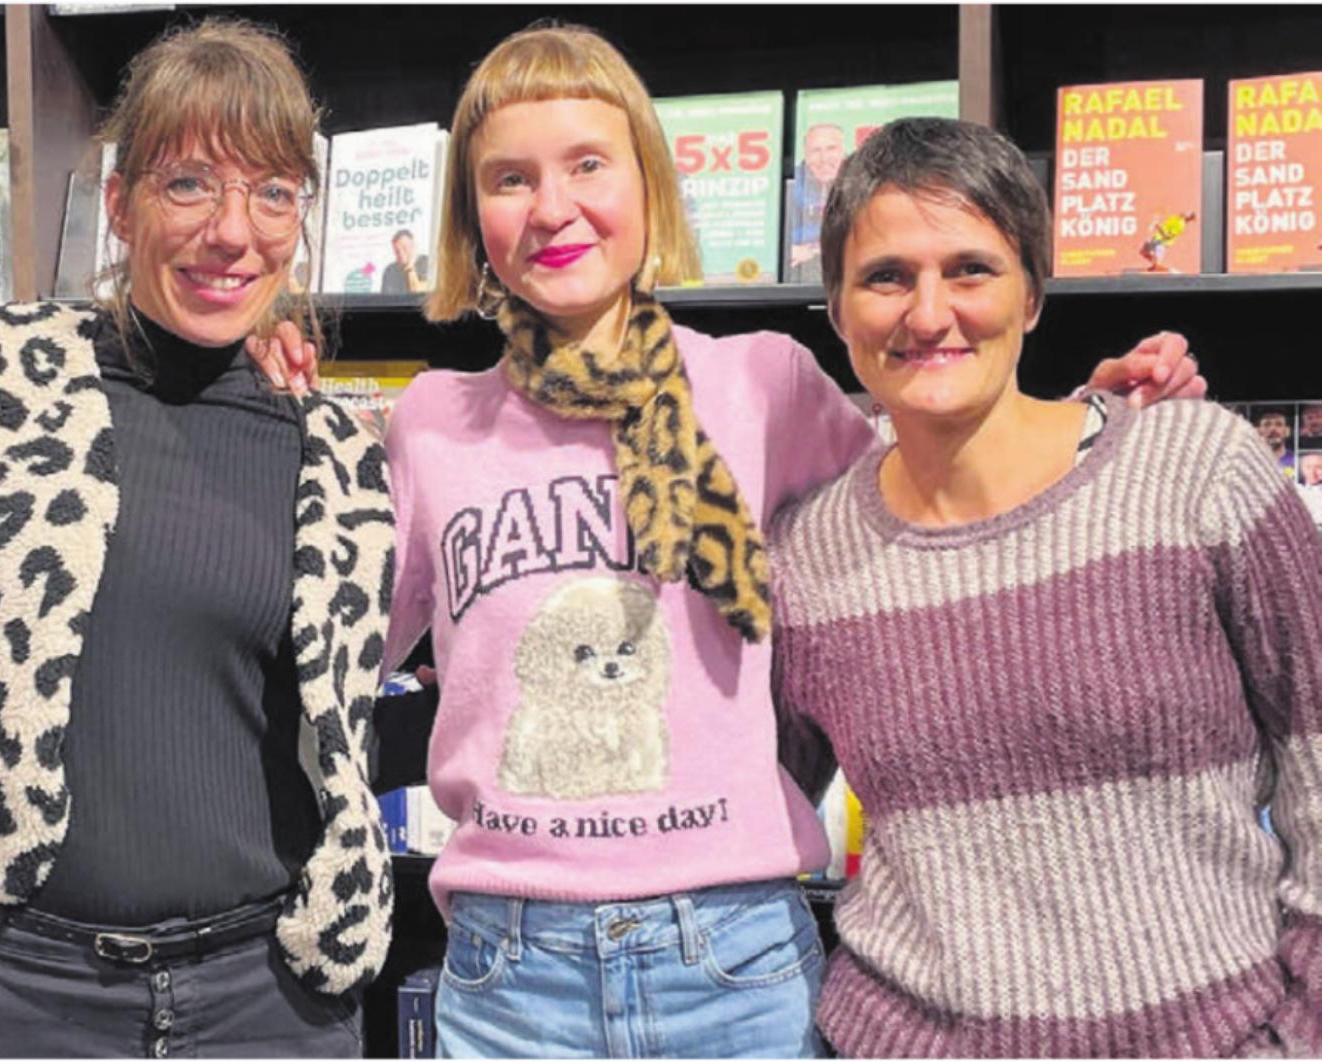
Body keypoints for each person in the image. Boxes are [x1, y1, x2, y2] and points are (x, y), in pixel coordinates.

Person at [256, 23, 1204, 1060]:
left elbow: (938, 510)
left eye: (587, 164)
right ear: (470, 219)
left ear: (651, 188)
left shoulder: (766, 383)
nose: (554, 206)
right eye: (510, 178)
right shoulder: (432, 423)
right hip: (509, 970)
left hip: (735, 959)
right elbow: (328, 652)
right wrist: (253, 409)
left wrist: (1080, 425)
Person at [0, 19, 423, 1058]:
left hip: (265, 997)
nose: (235, 231)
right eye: (190, 183)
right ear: (119, 203)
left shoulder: (330, 446)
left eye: (273, 192)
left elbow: (368, 721)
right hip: (21, 988)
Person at [772, 116, 1322, 1058]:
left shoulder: (1199, 469)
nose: (929, 312)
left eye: (971, 269)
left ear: (1033, 294)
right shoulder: (807, 556)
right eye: (886, 276)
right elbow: (757, 806)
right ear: (835, 307)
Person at [786, 122, 846, 283]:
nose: (824, 159)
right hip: (798, 273)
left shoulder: (860, 183)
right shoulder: (792, 185)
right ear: (805, 155)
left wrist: (813, 250)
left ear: (843, 151)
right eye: (816, 151)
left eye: (831, 149)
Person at [381, 228, 432, 294]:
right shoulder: (390, 270)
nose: (401, 253)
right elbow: (385, 299)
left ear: (413, 245)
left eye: (404, 248)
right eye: (397, 251)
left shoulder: (428, 263)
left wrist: (410, 267)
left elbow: (417, 292)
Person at [1258, 406, 1298, 478]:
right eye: (1267, 424)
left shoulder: (1297, 461)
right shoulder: (1251, 461)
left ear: (1287, 431)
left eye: (1278, 424)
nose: (1272, 429)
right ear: (1258, 431)